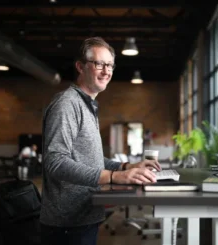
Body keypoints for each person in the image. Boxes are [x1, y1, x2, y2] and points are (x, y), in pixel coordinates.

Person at [39, 37, 162, 245]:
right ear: (80, 66)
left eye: (110, 65)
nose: (106, 71)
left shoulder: (88, 105)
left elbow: (91, 160)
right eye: (99, 64)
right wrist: (114, 176)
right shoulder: (67, 104)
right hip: (67, 223)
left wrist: (127, 166)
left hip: (83, 216)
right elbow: (55, 161)